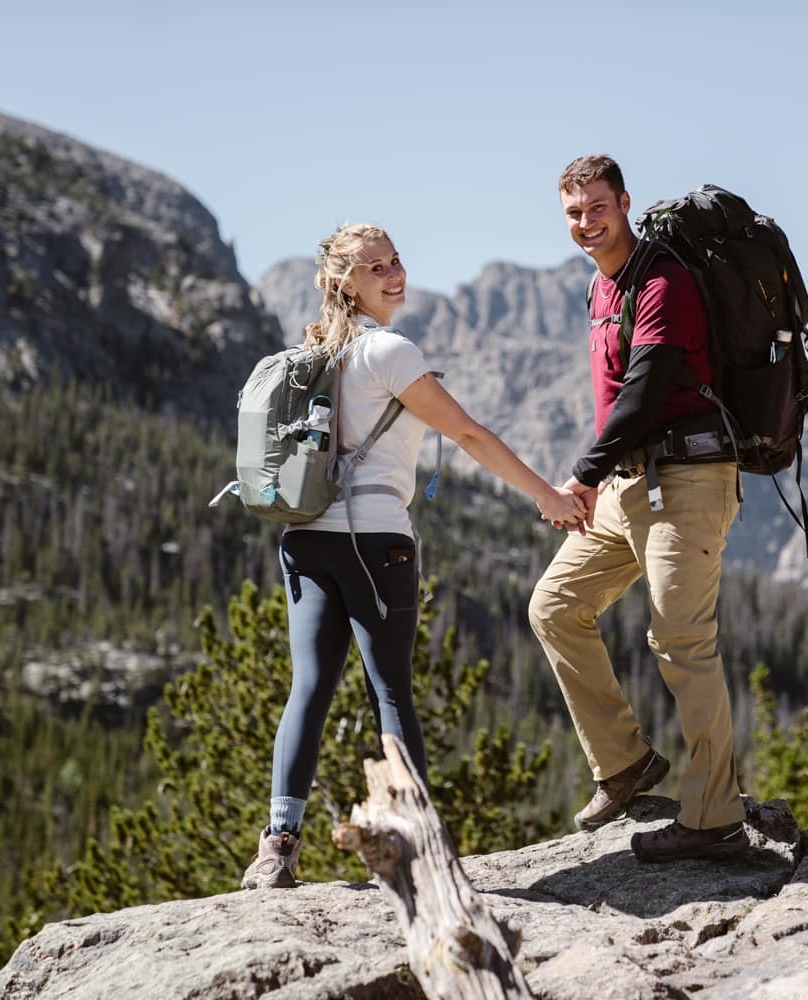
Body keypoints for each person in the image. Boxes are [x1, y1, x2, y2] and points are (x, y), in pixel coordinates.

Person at [242, 223, 585, 889]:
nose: (394, 274)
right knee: (389, 687)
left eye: (395, 261)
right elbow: (465, 433)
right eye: (376, 268)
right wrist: (547, 495)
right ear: (347, 283)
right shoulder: (390, 352)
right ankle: (419, 847)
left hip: (305, 538)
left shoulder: (308, 356)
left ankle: (278, 844)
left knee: (309, 688)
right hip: (376, 541)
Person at [528, 154, 747, 862]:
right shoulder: (600, 287)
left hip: (687, 480)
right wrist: (604, 476)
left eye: (597, 208)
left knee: (681, 643)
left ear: (624, 202)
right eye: (573, 213)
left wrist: (580, 476)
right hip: (630, 485)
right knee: (554, 607)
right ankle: (624, 765)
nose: (586, 223)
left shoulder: (663, 281)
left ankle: (715, 816)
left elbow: (645, 393)